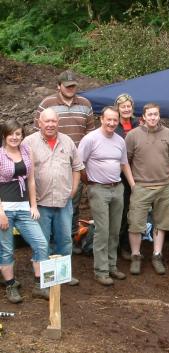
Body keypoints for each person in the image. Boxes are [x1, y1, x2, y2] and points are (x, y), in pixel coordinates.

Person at [34, 70, 95, 248]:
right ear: (58, 86)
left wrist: (85, 163)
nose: (70, 89)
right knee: (49, 205)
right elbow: (39, 130)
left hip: (77, 163)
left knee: (73, 202)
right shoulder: (47, 104)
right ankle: (52, 241)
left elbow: (90, 134)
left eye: (73, 86)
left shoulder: (85, 104)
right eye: (67, 86)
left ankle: (72, 238)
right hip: (51, 161)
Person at [22, 108, 84, 286]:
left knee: (64, 240)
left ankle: (63, 274)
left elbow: (77, 167)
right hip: (40, 203)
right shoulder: (29, 142)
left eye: (53, 121)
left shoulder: (67, 141)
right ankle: (44, 277)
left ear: (58, 123)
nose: (50, 124)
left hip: (64, 202)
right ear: (39, 123)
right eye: (46, 121)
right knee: (42, 242)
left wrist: (73, 190)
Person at [78, 106, 136, 286]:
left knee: (115, 229)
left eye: (115, 120)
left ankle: (112, 265)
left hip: (117, 188)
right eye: (108, 119)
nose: (112, 123)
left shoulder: (120, 140)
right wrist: (90, 183)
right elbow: (79, 164)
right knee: (102, 231)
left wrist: (132, 185)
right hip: (99, 189)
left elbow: (124, 164)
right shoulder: (90, 139)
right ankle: (101, 270)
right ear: (101, 119)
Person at [125, 103, 169, 275]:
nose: (153, 117)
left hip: (164, 186)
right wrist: (133, 184)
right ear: (144, 116)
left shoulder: (168, 133)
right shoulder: (133, 135)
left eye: (156, 114)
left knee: (161, 222)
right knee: (135, 222)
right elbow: (125, 161)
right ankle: (135, 256)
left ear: (159, 115)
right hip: (141, 186)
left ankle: (157, 255)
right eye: (150, 115)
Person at [0, 120, 48, 302]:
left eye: (18, 134)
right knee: (6, 249)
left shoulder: (27, 151)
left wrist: (33, 205)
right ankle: (11, 285)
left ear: (22, 136)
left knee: (41, 244)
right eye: (11, 134)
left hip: (24, 208)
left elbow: (31, 181)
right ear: (5, 135)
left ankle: (38, 285)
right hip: (5, 209)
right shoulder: (0, 155)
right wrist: (1, 212)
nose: (15, 137)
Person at [114, 93, 140, 260]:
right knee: (121, 212)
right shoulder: (113, 125)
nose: (126, 109)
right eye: (123, 106)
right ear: (118, 108)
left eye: (128, 106)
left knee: (134, 211)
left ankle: (129, 245)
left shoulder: (138, 124)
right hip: (118, 175)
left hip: (137, 172)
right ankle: (117, 246)